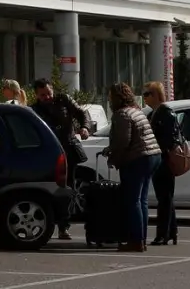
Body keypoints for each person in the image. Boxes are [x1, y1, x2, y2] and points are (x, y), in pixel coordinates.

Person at [99, 82, 161, 253]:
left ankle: (135, 241)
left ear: (117, 98)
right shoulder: (136, 111)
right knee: (141, 200)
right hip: (153, 156)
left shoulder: (121, 114)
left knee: (132, 200)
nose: (109, 100)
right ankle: (141, 239)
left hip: (138, 159)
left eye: (111, 97)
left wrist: (113, 158)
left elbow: (122, 142)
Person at [30, 78, 91, 240]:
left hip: (68, 150)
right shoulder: (34, 110)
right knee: (50, 189)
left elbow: (81, 113)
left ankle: (64, 226)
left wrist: (84, 127)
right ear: (37, 95)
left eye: (49, 93)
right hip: (49, 154)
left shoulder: (63, 100)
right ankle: (50, 223)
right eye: (42, 95)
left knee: (68, 188)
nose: (47, 97)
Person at [142, 81, 178, 246]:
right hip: (156, 159)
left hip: (164, 159)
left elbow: (171, 139)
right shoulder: (152, 114)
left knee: (165, 197)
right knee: (164, 197)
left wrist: (159, 149)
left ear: (156, 95)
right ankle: (171, 231)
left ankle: (163, 234)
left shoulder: (166, 113)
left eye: (147, 94)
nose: (144, 97)